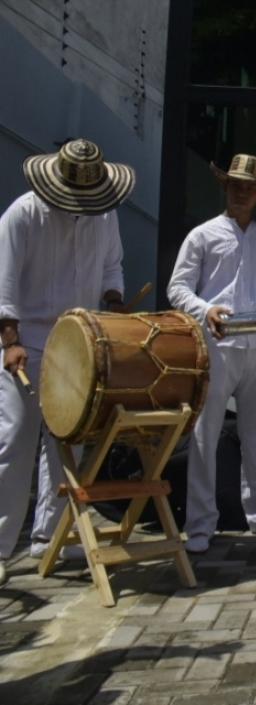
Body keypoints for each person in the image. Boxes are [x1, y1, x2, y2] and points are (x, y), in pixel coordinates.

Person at [0, 139, 130, 585]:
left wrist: (113, 301)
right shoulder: (23, 214)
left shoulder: (104, 214)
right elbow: (4, 279)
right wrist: (9, 339)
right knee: (15, 439)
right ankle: (0, 546)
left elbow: (112, 266)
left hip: (78, 344)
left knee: (67, 443)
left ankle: (49, 536)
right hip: (27, 343)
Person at [167, 153, 256, 554]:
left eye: (250, 187)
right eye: (236, 185)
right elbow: (178, 288)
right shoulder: (203, 235)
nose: (242, 192)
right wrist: (204, 309)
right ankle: (201, 524)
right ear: (225, 187)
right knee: (205, 434)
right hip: (216, 344)